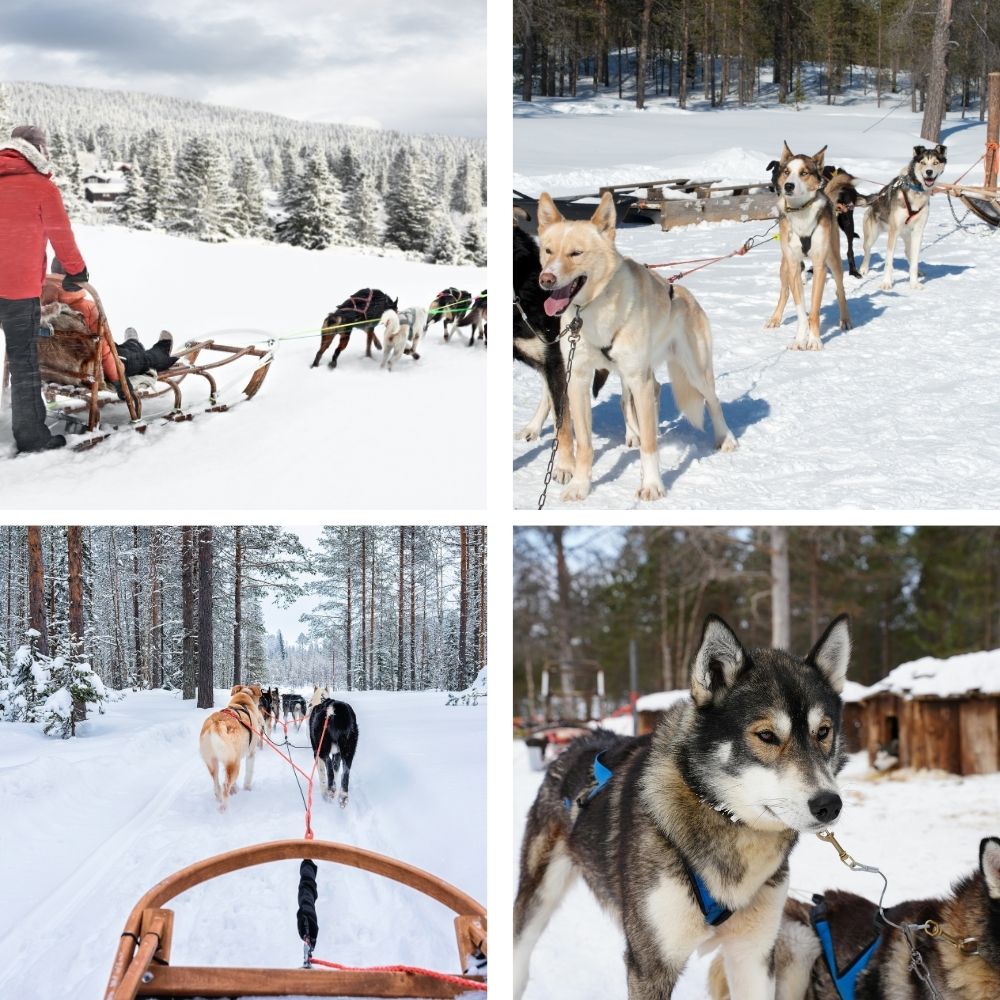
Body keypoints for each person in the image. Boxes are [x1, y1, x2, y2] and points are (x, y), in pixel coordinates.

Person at [0, 124, 89, 453]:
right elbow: (61, 236)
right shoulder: (40, 187)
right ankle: (31, 436)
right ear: (37, 150)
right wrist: (77, 271)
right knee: (23, 361)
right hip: (18, 291)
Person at [43, 261, 177, 399]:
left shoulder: (39, 307)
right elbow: (105, 350)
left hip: (59, 370)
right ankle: (161, 349)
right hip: (93, 370)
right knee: (140, 359)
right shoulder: (86, 307)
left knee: (120, 350)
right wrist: (119, 381)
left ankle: (133, 343)